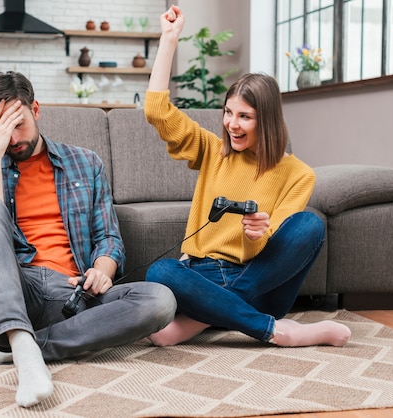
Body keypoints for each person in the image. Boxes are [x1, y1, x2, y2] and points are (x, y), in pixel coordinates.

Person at [0, 71, 176, 407]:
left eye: (18, 124)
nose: (12, 138)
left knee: (160, 300)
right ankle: (18, 342)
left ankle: (12, 348)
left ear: (36, 109)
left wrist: (102, 270)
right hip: (10, 288)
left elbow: (108, 236)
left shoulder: (85, 163)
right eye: (1, 129)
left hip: (72, 294)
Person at [143, 5, 351, 348]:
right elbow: (157, 111)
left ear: (266, 121)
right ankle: (276, 330)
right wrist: (168, 40)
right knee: (160, 272)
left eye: (245, 116)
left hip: (260, 281)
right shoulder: (212, 150)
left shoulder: (298, 174)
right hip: (203, 275)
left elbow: (271, 248)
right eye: (228, 112)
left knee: (310, 225)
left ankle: (203, 317)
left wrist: (257, 233)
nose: (232, 124)